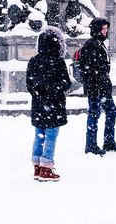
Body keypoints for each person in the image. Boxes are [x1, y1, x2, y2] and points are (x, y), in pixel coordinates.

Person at [26, 26, 72, 181]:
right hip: (54, 104)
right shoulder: (58, 62)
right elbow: (65, 84)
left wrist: (39, 92)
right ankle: (46, 167)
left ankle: (37, 166)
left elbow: (29, 85)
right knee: (51, 135)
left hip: (38, 104)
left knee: (39, 135)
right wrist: (53, 89)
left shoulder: (33, 61)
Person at [79, 17, 116, 155]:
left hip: (102, 86)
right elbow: (91, 68)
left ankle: (108, 141)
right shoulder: (92, 44)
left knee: (111, 112)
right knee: (94, 114)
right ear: (97, 30)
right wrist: (98, 82)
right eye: (103, 29)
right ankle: (91, 144)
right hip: (96, 87)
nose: (106, 31)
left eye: (106, 29)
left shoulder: (98, 43)